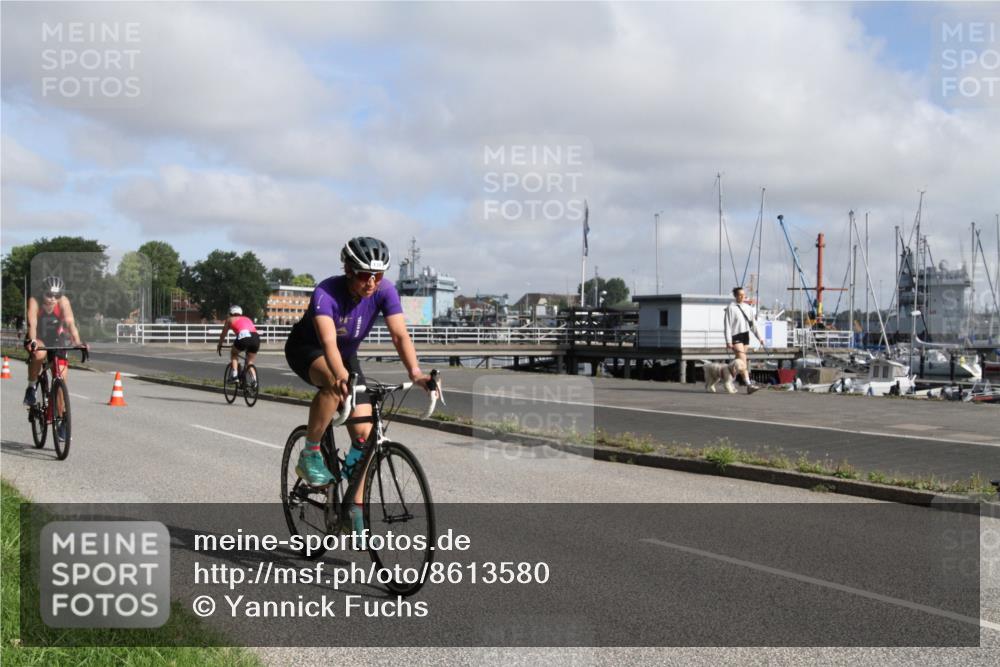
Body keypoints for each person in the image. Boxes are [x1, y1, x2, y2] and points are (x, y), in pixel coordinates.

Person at [284, 237, 433, 534]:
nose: (372, 283)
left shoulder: (385, 290)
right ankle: (310, 452)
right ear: (349, 270)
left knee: (364, 438)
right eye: (366, 275)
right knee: (332, 382)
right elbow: (328, 342)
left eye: (378, 276)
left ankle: (353, 505)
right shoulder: (326, 291)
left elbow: (399, 336)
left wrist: (416, 373)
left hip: (347, 355)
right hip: (308, 349)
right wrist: (340, 378)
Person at [22, 276, 86, 435]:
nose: (52, 299)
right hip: (38, 336)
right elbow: (32, 323)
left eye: (56, 296)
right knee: (39, 354)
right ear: (43, 292)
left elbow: (71, 323)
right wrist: (33, 341)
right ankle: (31, 387)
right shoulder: (34, 301)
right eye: (49, 295)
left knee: (61, 378)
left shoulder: (63, 302)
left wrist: (78, 342)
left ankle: (61, 419)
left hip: (57, 338)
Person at [723, 286, 764, 394]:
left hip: (745, 336)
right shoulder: (730, 308)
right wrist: (728, 341)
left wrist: (760, 338)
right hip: (735, 336)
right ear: (735, 296)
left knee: (739, 362)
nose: (742, 297)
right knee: (743, 361)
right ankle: (748, 385)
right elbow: (727, 325)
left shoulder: (748, 308)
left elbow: (753, 325)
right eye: (740, 295)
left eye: (743, 295)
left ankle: (727, 378)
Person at [216, 305, 259, 385]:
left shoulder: (229, 319)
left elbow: (223, 334)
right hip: (255, 338)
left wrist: (220, 344)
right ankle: (254, 381)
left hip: (243, 337)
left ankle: (234, 375)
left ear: (230, 313)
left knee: (234, 353)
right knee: (250, 361)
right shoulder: (247, 318)